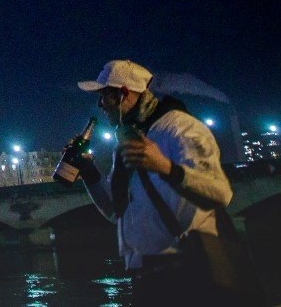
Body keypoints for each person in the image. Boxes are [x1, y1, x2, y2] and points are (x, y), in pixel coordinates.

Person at [70, 59, 261, 306]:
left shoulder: (179, 128)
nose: (99, 104)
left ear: (124, 94)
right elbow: (116, 212)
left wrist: (166, 167)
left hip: (191, 271)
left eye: (105, 96)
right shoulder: (127, 141)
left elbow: (220, 193)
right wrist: (88, 171)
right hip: (147, 276)